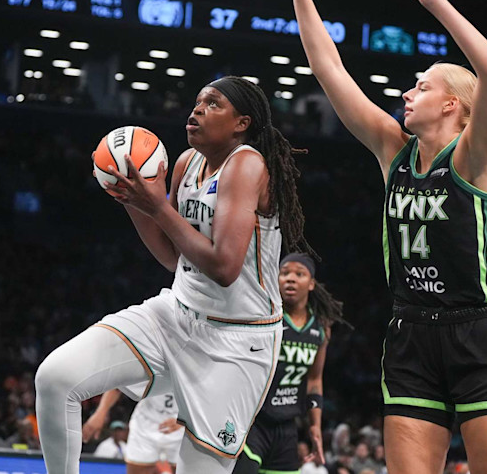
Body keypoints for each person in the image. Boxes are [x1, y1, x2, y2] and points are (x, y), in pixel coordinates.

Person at [288, 0, 487, 473]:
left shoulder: (474, 158)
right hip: (410, 334)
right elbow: (329, 68)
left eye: (421, 86)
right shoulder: (394, 151)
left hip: (479, 334)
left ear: (452, 105)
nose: (407, 93)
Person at [36, 75, 314, 474]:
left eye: (213, 104)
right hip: (176, 314)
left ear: (242, 123)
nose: (197, 109)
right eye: (198, 101)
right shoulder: (187, 162)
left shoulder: (248, 165)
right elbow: (172, 257)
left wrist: (158, 206)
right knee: (56, 377)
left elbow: (223, 267)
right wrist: (132, 195)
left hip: (236, 342)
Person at [233, 253, 347, 474]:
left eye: (299, 274)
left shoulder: (321, 328)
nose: (290, 279)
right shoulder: (264, 317)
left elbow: (314, 380)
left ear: (311, 284)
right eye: (284, 273)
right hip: (253, 423)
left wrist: (315, 426)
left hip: (287, 427)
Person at [83, 389, 183, 473]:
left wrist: (185, 419)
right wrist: (100, 413)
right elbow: (120, 384)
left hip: (184, 425)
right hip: (146, 422)